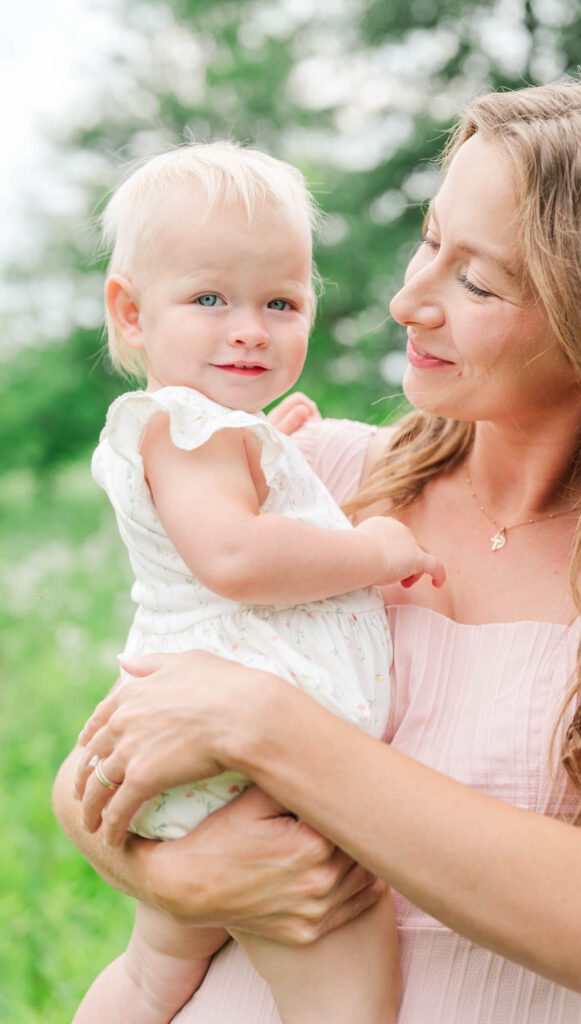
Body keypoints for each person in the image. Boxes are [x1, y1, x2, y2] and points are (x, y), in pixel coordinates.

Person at [56, 79, 581, 1023]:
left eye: (475, 280)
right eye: (430, 240)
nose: (405, 301)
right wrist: (171, 876)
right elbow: (112, 749)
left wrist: (269, 725)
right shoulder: (312, 476)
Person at [71, 140, 447, 1024]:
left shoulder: (210, 430)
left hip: (199, 764)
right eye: (209, 299)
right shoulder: (190, 427)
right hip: (243, 772)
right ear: (130, 315)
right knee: (346, 978)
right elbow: (236, 559)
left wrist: (274, 443)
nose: (249, 327)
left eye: (280, 302)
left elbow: (235, 512)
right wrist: (375, 549)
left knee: (153, 973)